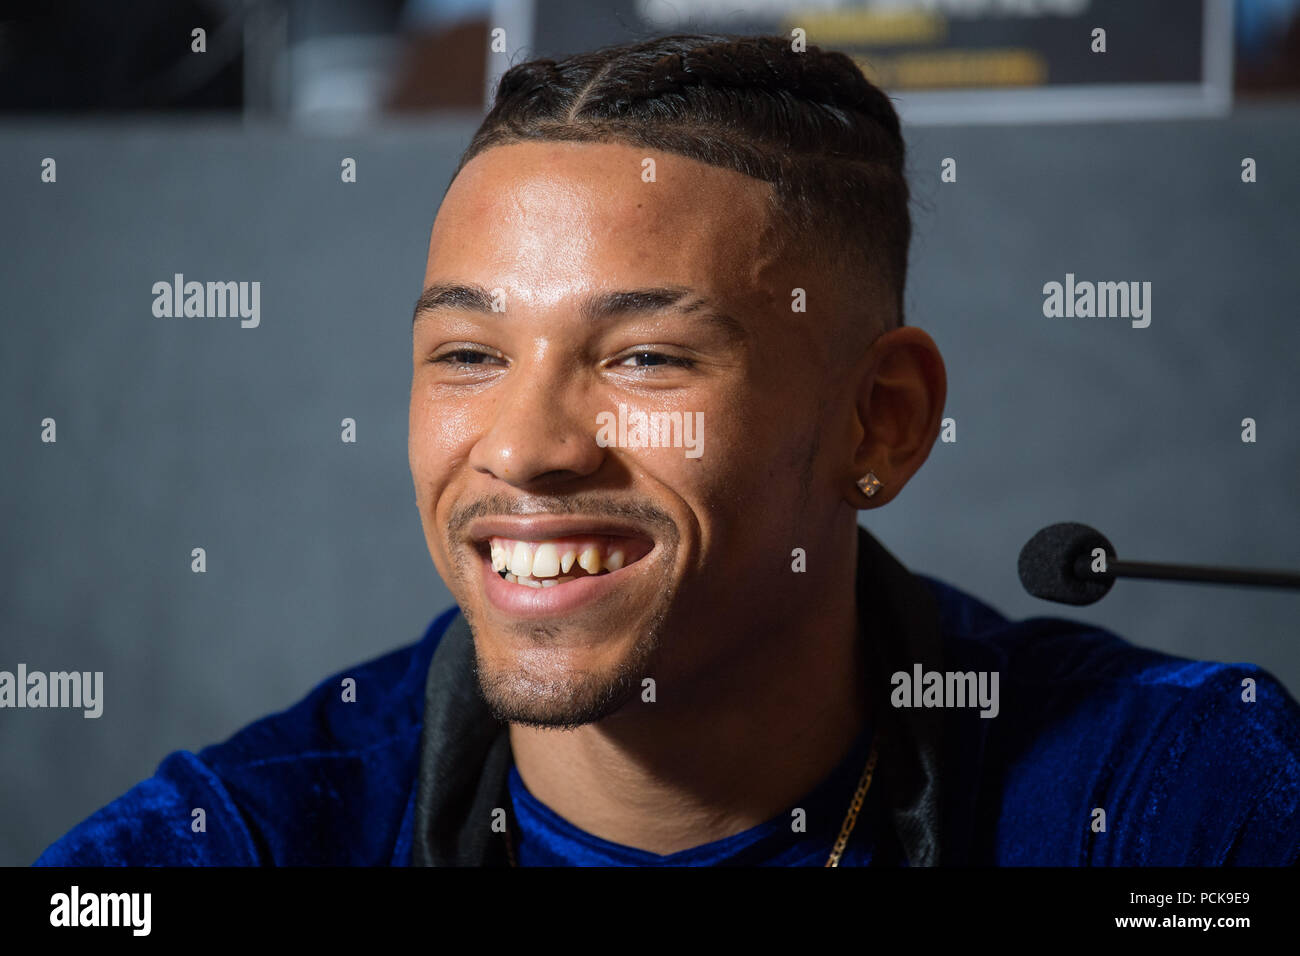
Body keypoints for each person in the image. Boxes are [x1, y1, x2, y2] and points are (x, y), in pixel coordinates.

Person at [35, 33, 1300, 867]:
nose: (523, 450)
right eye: (468, 355)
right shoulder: (241, 837)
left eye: (644, 357)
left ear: (884, 421)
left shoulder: (1170, 801)